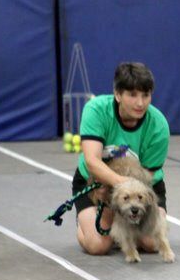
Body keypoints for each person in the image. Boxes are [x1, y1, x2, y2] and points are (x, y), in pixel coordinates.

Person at [73, 62, 170, 255]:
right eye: (132, 95)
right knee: (98, 246)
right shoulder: (96, 110)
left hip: (142, 188)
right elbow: (92, 161)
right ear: (118, 94)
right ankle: (87, 225)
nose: (140, 103)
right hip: (95, 184)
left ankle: (127, 229)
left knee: (151, 244)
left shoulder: (158, 125)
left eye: (146, 95)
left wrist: (129, 192)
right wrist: (118, 188)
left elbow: (148, 176)